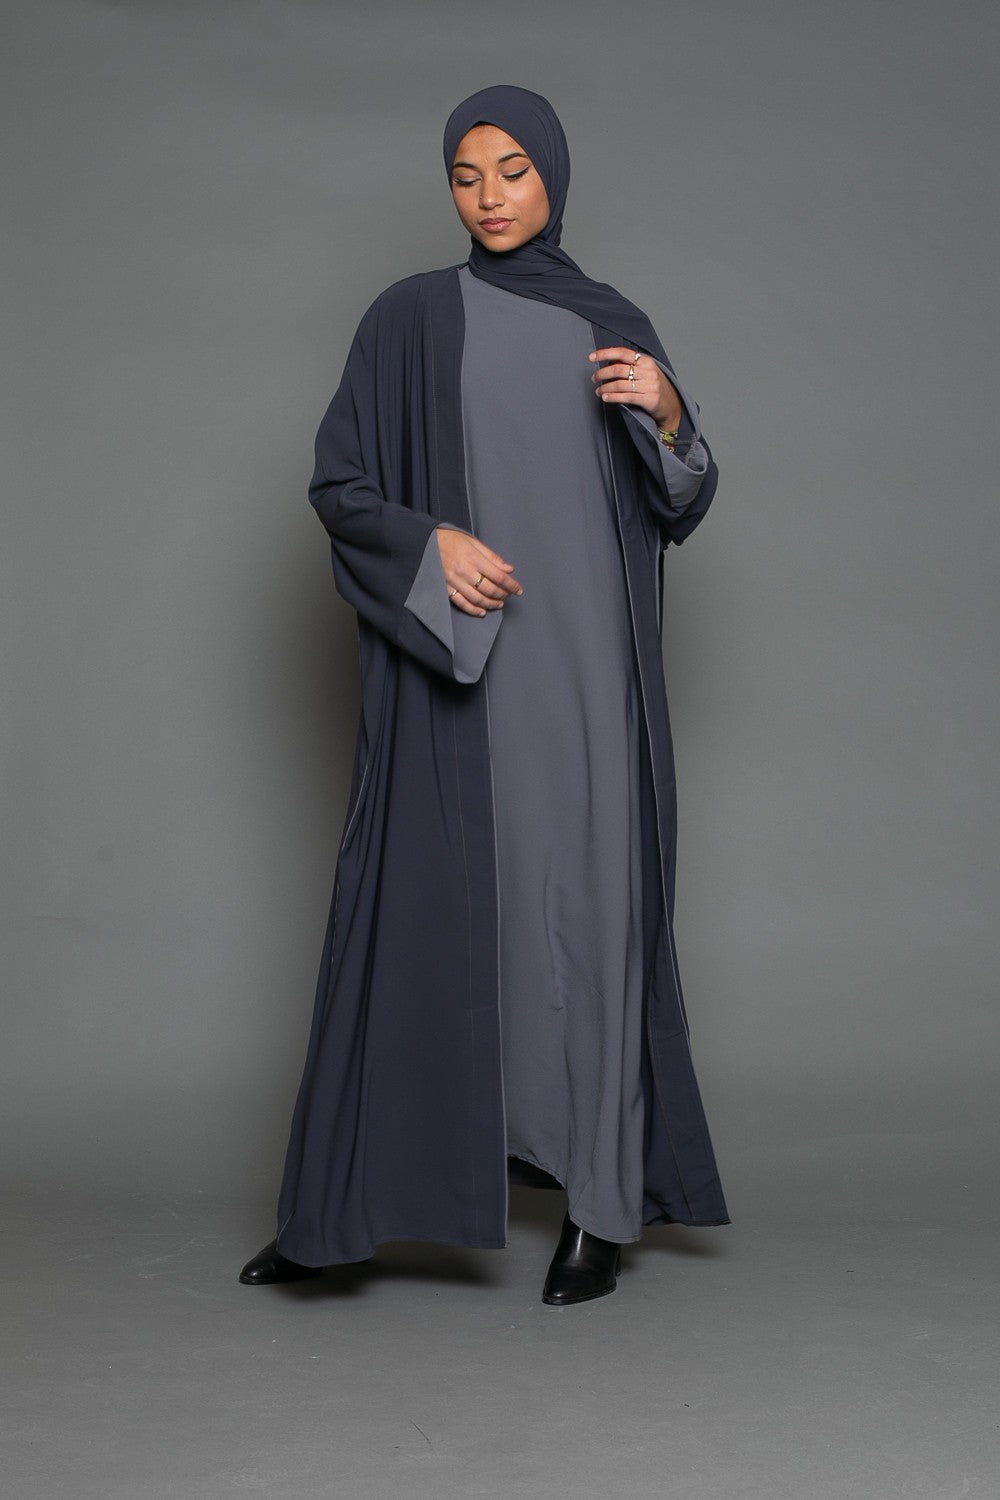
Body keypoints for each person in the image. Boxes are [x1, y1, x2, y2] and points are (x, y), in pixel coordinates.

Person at [239, 84, 728, 1306]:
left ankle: (598, 1211)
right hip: (459, 668)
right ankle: (337, 1212)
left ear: (552, 173)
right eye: (466, 175)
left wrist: (671, 411)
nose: (491, 196)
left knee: (593, 924)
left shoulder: (608, 321)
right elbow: (340, 486)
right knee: (414, 914)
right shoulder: (406, 320)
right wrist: (431, 546)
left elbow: (677, 496)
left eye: (512, 169)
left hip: (587, 676)